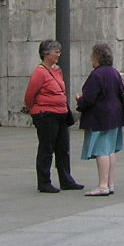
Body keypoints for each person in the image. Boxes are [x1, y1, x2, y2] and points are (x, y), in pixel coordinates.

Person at [23, 40, 83, 193]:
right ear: (46, 53)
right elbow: (30, 96)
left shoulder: (57, 70)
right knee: (46, 148)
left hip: (61, 113)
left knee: (63, 148)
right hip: (46, 115)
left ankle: (66, 179)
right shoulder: (40, 72)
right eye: (56, 52)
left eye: (59, 51)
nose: (58, 55)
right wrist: (36, 109)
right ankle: (44, 182)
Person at [76, 42, 124, 196]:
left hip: (100, 117)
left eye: (92, 56)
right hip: (115, 115)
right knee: (110, 150)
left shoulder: (97, 74)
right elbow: (121, 91)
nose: (91, 60)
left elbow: (90, 98)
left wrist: (80, 100)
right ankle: (110, 183)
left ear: (97, 57)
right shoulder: (114, 72)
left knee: (101, 150)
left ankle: (102, 185)